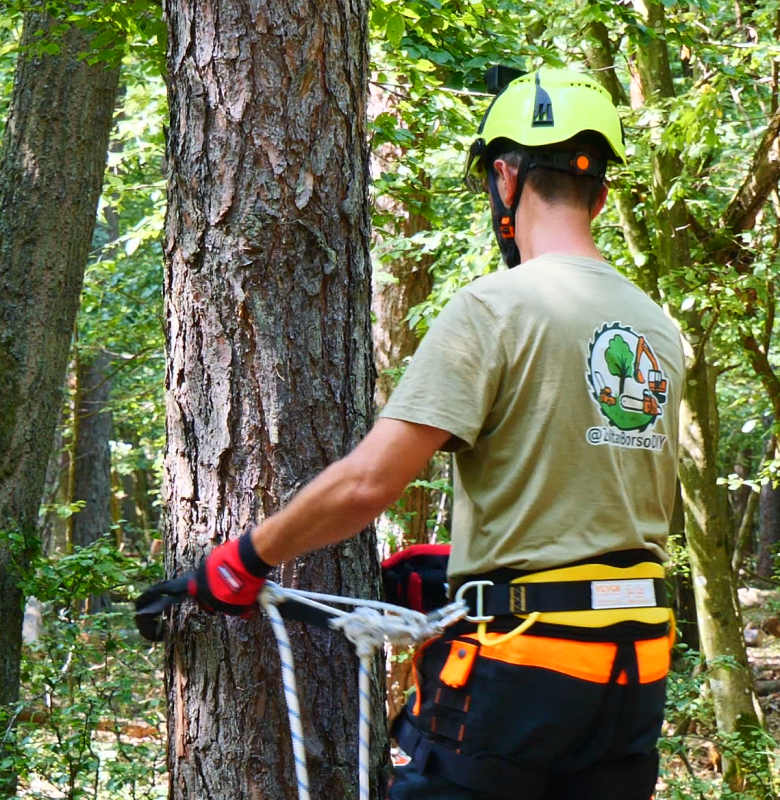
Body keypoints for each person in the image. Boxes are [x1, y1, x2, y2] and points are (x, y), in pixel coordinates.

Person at [139, 66, 685, 800]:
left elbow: (368, 485)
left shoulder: (496, 307)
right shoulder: (656, 327)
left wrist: (242, 559)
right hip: (637, 670)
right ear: (603, 192)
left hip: (525, 667)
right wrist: (475, 562)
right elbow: (601, 496)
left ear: (504, 177)